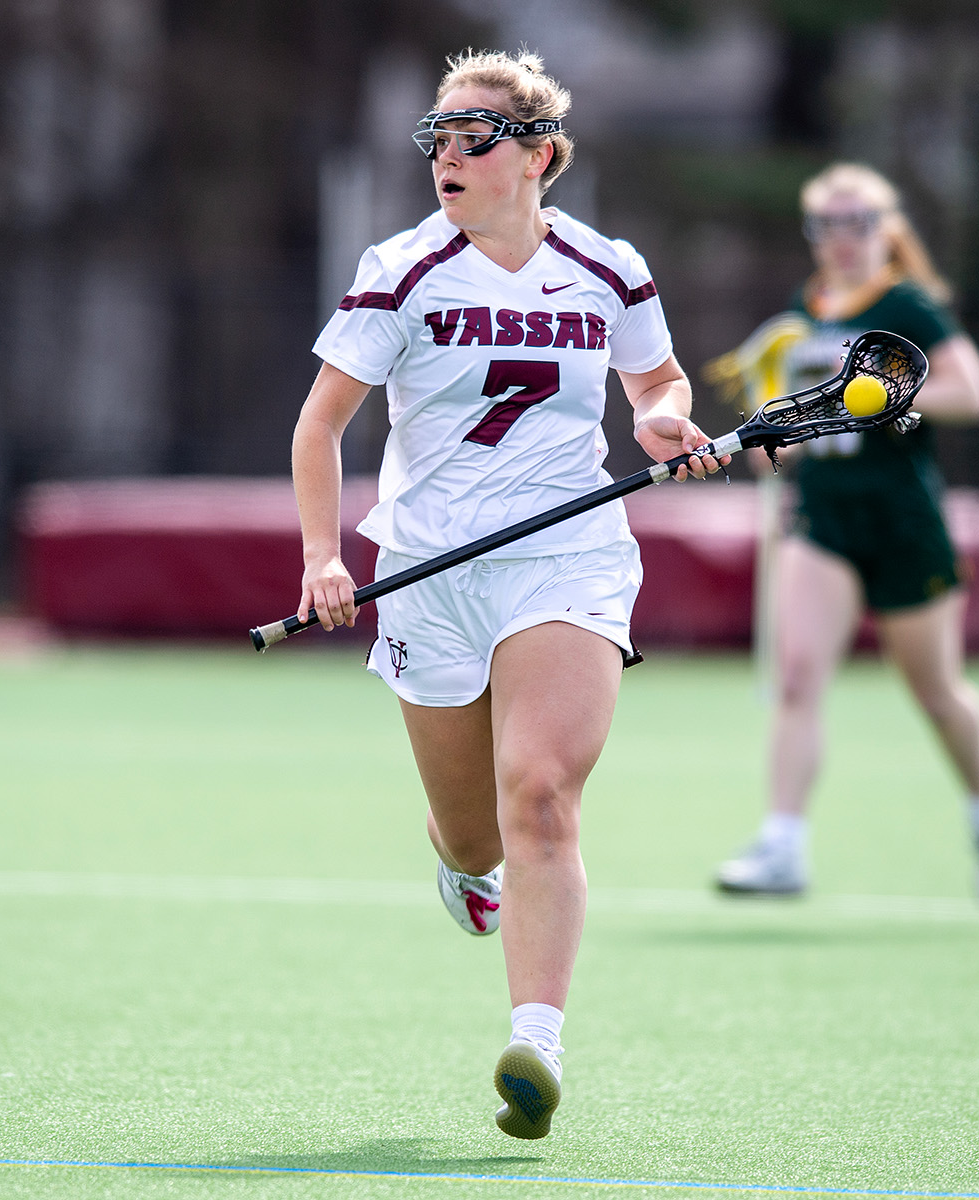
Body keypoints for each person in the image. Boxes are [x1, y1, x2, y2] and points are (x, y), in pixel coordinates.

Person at [292, 49, 723, 1139]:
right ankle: (461, 868)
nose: (446, 154)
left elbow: (654, 380)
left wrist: (664, 419)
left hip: (565, 557)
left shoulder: (607, 266)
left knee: (539, 793)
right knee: (475, 833)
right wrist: (322, 555)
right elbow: (320, 426)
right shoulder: (401, 269)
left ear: (536, 153)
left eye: (471, 137)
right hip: (432, 572)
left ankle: (536, 1042)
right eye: (435, 136)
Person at [712, 162, 979, 907]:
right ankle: (783, 843)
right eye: (828, 224)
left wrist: (896, 399)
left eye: (858, 223)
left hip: (902, 521)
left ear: (886, 229)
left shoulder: (909, 307)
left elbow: (972, 393)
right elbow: (800, 414)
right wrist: (769, 442)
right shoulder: (806, 310)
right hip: (822, 517)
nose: (843, 239)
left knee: (937, 694)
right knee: (797, 679)